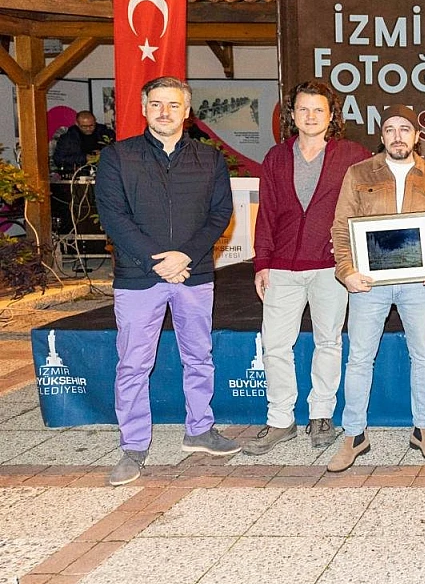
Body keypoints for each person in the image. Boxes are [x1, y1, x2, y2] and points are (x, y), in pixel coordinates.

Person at [95, 76, 238, 486]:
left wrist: (186, 256)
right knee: (134, 364)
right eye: (156, 104)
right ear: (143, 108)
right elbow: (113, 217)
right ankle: (133, 446)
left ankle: (200, 429)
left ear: (187, 111)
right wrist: (156, 261)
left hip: (194, 275)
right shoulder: (118, 157)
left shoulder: (210, 160)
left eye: (173, 105)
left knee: (199, 355)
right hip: (139, 277)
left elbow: (219, 215)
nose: (164, 112)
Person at [241, 81, 370, 456]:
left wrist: (355, 251)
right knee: (276, 345)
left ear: (332, 116)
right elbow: (265, 215)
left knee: (328, 341)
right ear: (291, 115)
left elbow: (369, 208)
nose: (310, 116)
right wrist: (261, 262)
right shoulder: (275, 158)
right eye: (303, 110)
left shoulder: (353, 155)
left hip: (332, 267)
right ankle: (281, 419)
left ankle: (321, 415)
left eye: (318, 110)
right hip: (282, 265)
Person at [325, 105, 425, 472]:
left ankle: (423, 429)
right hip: (369, 282)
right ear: (382, 136)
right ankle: (354, 434)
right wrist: (346, 271)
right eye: (390, 129)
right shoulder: (359, 173)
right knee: (359, 358)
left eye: (405, 129)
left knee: (424, 357)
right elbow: (341, 226)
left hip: (418, 282)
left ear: (416, 136)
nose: (398, 136)